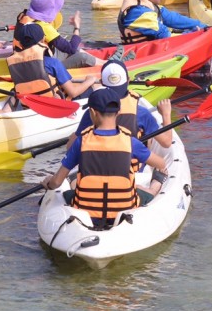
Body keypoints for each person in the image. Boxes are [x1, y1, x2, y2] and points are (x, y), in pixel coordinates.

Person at [41, 89, 170, 228]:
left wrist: (49, 183)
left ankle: (74, 182)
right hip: (123, 208)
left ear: (92, 113)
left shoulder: (81, 142)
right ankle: (154, 187)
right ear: (118, 113)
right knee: (146, 194)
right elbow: (160, 163)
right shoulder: (130, 142)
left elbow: (57, 182)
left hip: (88, 212)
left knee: (69, 193)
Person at [67, 59, 174, 150]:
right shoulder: (141, 112)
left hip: (100, 167)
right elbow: (166, 143)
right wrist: (166, 114)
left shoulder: (92, 112)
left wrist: (74, 136)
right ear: (128, 81)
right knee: (147, 137)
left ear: (102, 83)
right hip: (132, 170)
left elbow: (70, 147)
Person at [7, 23, 99, 103]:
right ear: (43, 39)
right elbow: (73, 92)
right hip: (53, 106)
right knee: (96, 86)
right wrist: (90, 80)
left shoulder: (15, 65)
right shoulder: (52, 63)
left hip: (29, 105)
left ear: (21, 44)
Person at [17, 0, 97, 68]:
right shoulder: (44, 27)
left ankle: (102, 62)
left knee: (76, 49)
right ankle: (105, 66)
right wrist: (77, 27)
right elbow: (71, 49)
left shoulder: (22, 16)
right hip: (46, 68)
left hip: (28, 62)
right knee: (83, 57)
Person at [118, 0, 206, 44]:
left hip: (150, 48)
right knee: (197, 36)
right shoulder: (140, 13)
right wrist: (193, 34)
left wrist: (203, 26)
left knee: (198, 29)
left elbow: (174, 19)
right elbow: (165, 35)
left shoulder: (150, 6)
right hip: (139, 53)